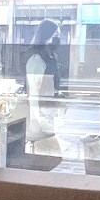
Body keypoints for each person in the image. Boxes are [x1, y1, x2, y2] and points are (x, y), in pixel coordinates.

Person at [25, 19, 61, 148]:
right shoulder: (36, 60)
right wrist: (35, 119)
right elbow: (34, 91)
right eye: (55, 35)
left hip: (50, 111)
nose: (58, 39)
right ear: (47, 35)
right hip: (41, 113)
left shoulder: (52, 58)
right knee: (49, 149)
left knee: (49, 149)